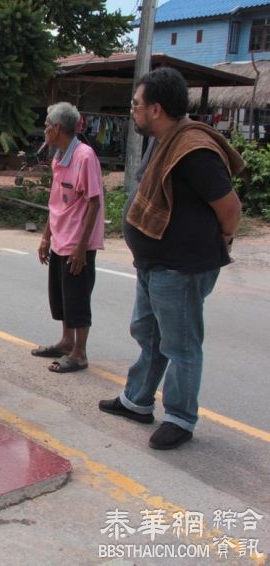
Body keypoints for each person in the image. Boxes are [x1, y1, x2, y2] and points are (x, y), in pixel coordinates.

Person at [98, 67, 243, 450]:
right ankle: (137, 400)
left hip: (181, 269)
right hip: (154, 264)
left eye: (137, 104)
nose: (133, 110)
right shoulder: (161, 141)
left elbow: (230, 208)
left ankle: (180, 417)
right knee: (149, 334)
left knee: (181, 345)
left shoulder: (194, 150)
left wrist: (225, 238)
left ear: (156, 109)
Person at [31, 102, 105, 373]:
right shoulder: (59, 158)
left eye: (47, 125)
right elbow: (56, 203)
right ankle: (66, 341)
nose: (45, 130)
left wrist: (82, 248)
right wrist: (45, 237)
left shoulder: (85, 157)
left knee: (77, 296)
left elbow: (94, 203)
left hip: (78, 241)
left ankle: (79, 353)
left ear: (57, 128)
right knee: (61, 295)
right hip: (61, 237)